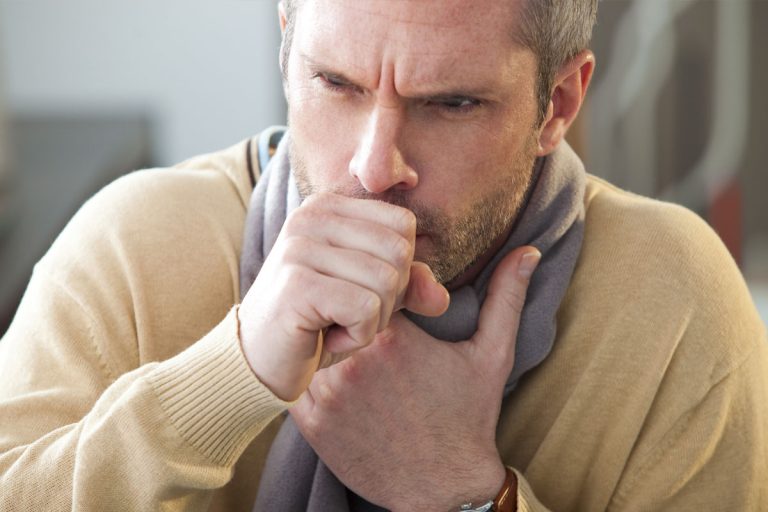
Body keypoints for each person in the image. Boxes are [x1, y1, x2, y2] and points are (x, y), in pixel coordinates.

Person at [1, 0, 766, 510]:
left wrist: (459, 491)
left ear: (558, 104)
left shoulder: (674, 303)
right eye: (336, 83)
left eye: (451, 104)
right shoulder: (132, 246)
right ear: (286, 52)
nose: (374, 168)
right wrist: (234, 374)